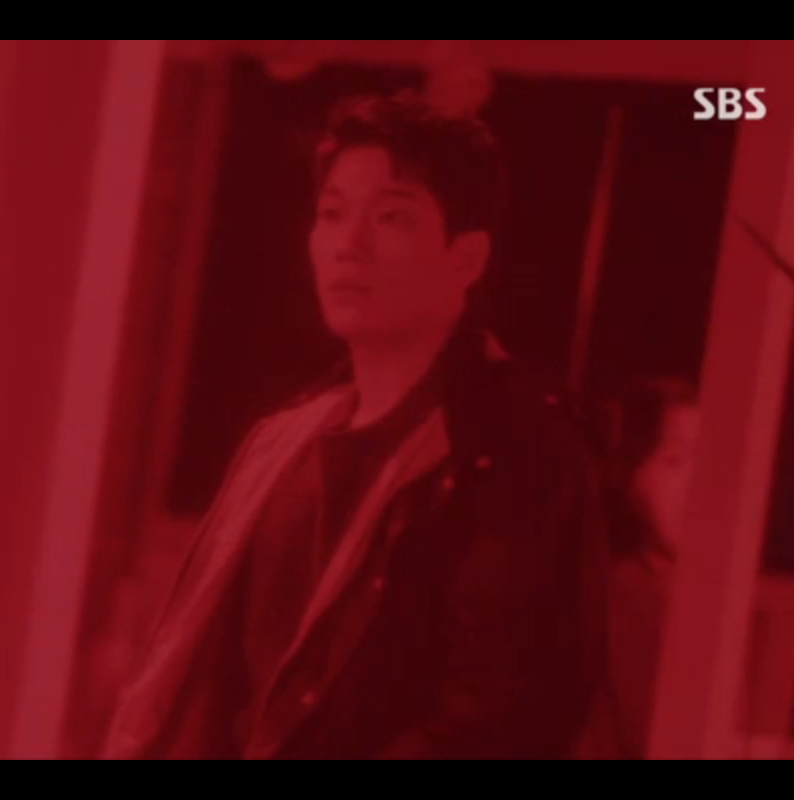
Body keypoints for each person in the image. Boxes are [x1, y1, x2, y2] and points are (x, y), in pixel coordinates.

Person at [103, 89, 610, 760]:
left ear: (467, 257)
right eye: (333, 214)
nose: (349, 244)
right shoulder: (284, 442)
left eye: (392, 216)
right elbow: (213, 689)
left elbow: (505, 718)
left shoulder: (515, 451)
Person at [578, 377, 700, 759]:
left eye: (709, 461)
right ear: (631, 475)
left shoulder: (688, 587)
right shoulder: (636, 587)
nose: (698, 483)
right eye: (676, 461)